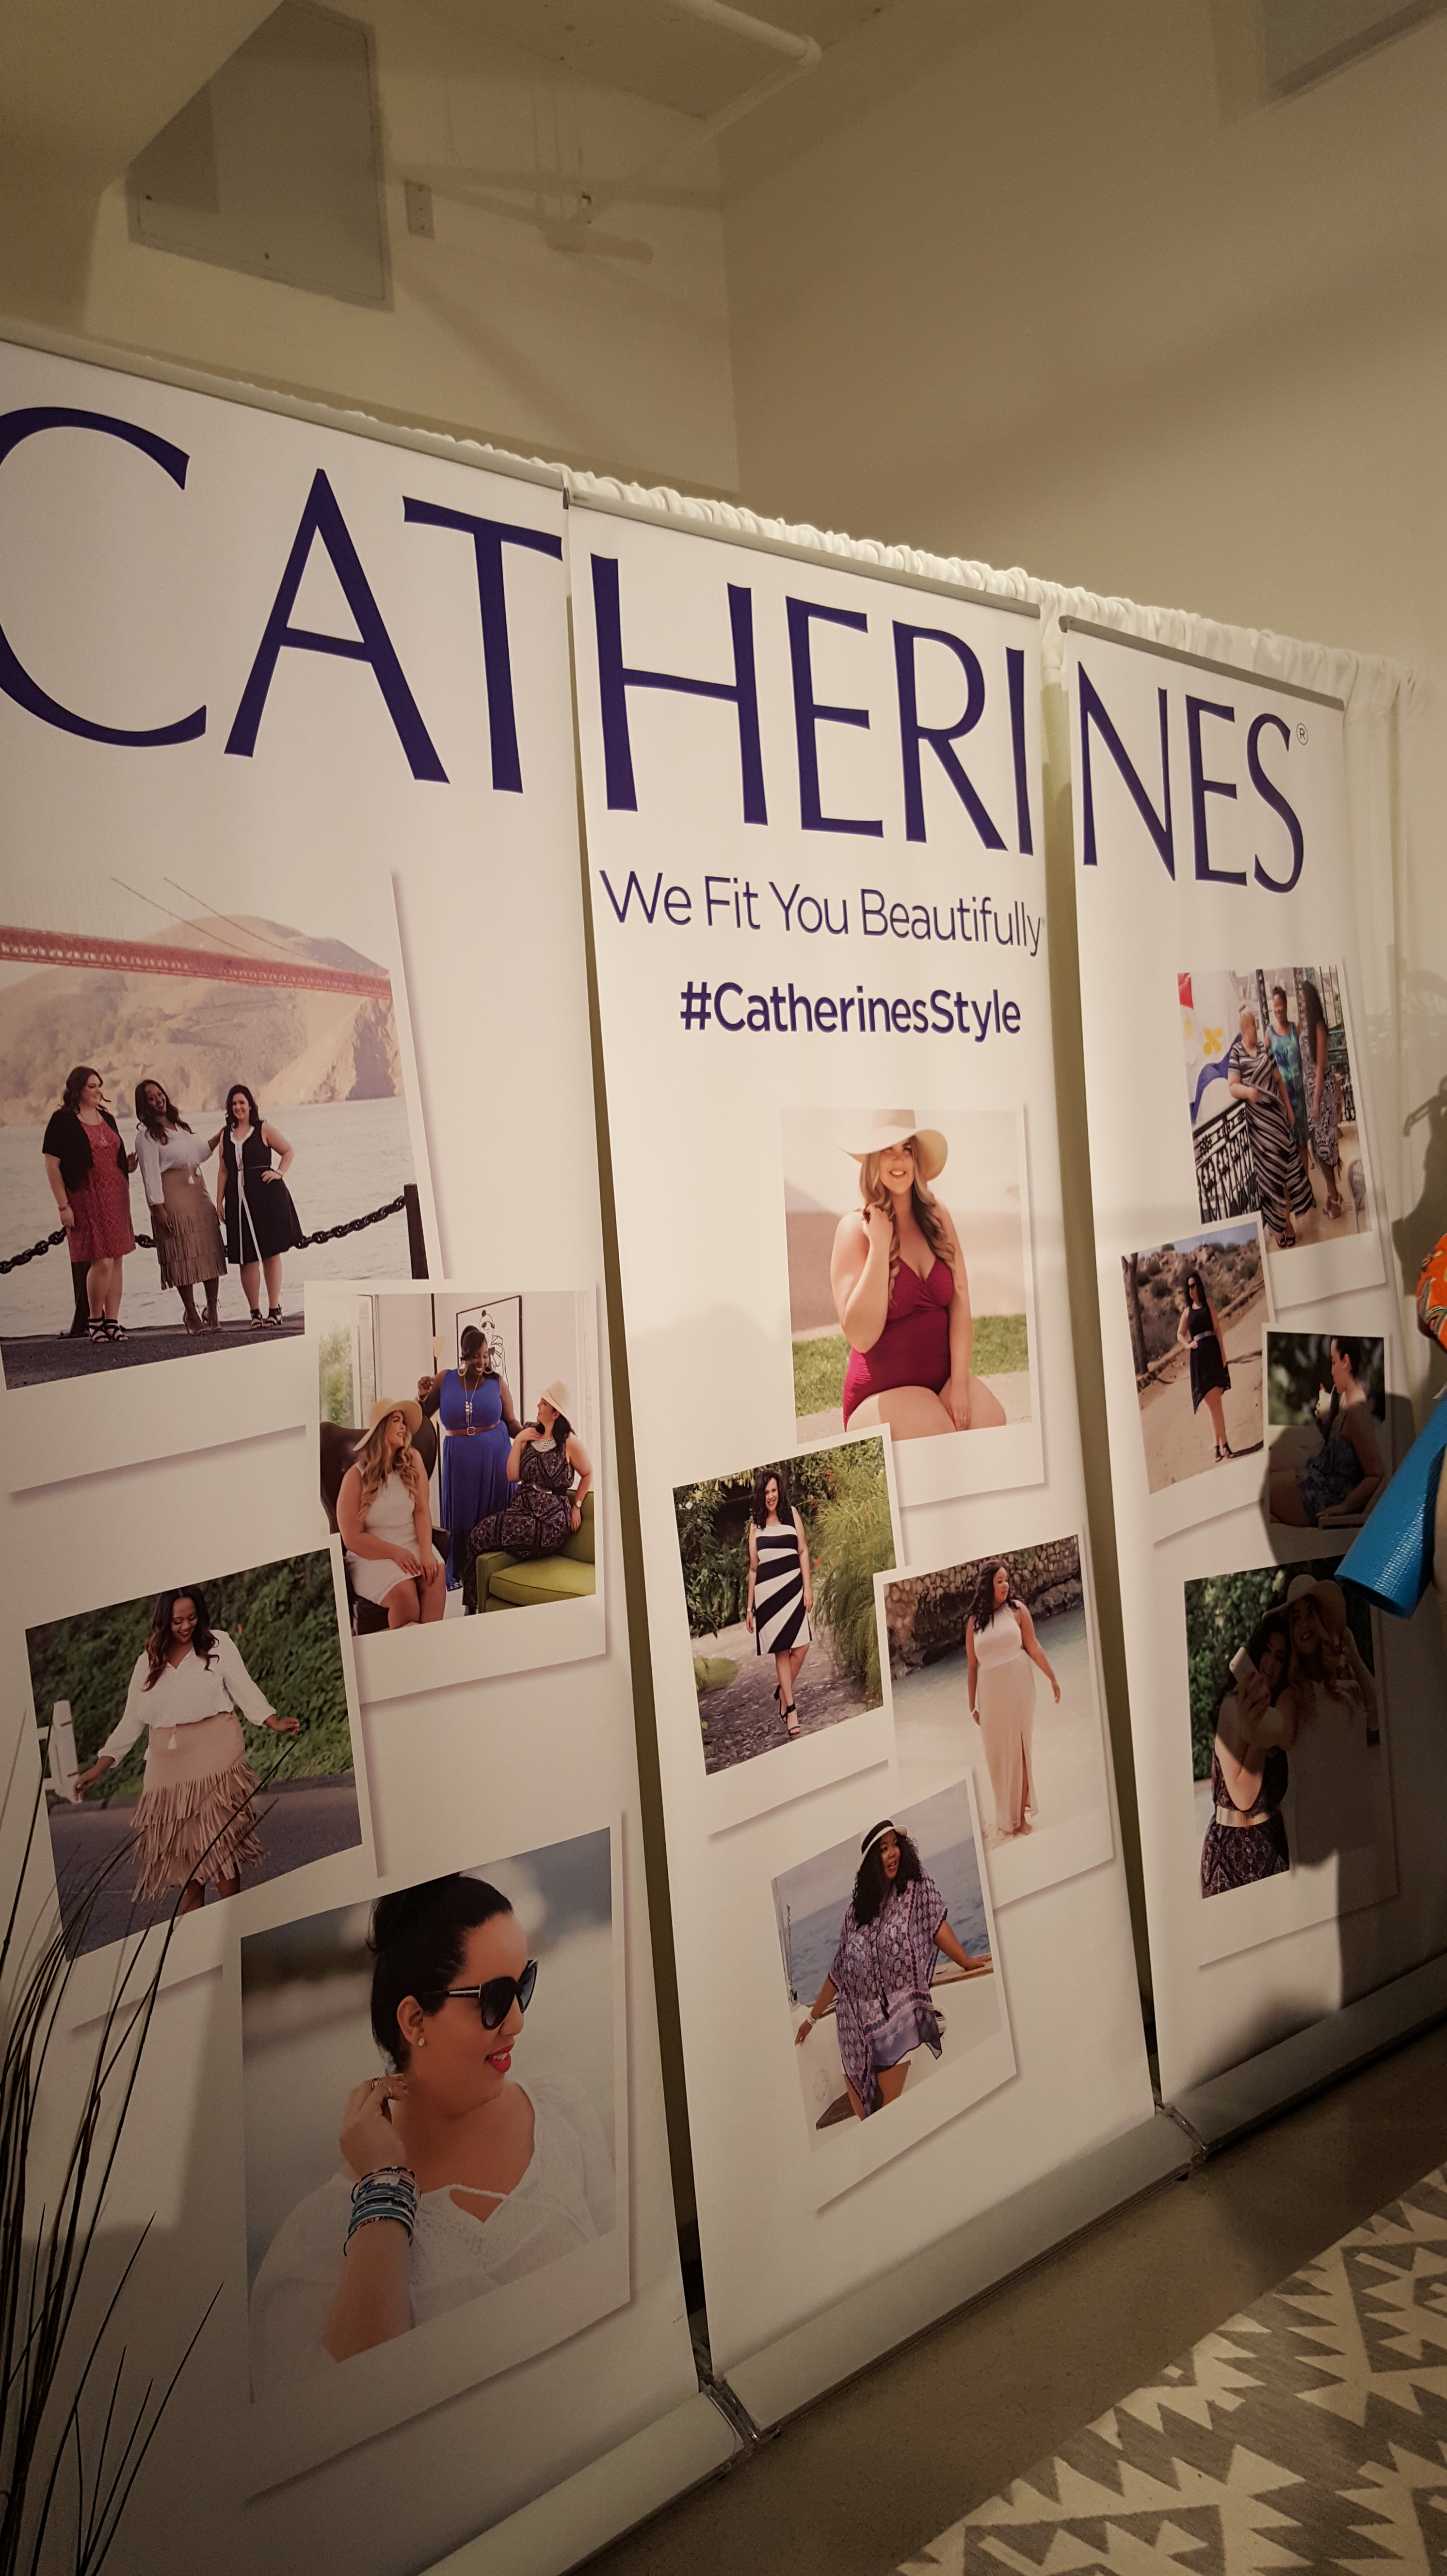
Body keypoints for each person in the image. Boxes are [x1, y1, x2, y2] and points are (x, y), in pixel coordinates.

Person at [249, 1873, 615, 2389]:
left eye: (522, 1987)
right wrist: (382, 2186)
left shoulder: (561, 2114)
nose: (516, 2022)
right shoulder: (314, 2244)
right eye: (495, 1998)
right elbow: (354, 2411)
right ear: (416, 2020)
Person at [72, 1586, 297, 1910]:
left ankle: (235, 1920)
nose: (186, 1626)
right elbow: (131, 1721)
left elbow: (244, 1688)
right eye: (178, 1621)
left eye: (192, 1618)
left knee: (221, 1844)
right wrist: (100, 1767)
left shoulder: (217, 1644)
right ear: (164, 1621)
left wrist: (272, 1720)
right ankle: (197, 1930)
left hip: (216, 1753)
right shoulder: (148, 1662)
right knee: (183, 1855)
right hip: (167, 1765)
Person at [830, 1111, 1007, 1438]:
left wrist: (959, 1384)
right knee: (940, 1430)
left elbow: (961, 1303)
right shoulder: (854, 1230)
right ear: (873, 1161)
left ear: (917, 1160)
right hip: (878, 1397)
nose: (899, 1160)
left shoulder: (937, 1217)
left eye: (907, 1149)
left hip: (942, 1385)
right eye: (888, 1150)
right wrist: (880, 1247)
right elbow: (861, 1336)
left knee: (993, 1423)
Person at [794, 1821, 985, 2119]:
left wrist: (966, 1961)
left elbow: (935, 1924)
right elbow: (838, 1972)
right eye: (884, 1849)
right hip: (855, 2031)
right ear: (871, 1862)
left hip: (895, 2027)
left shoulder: (913, 1888)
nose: (893, 1853)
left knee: (886, 2117)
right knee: (866, 2119)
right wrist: (810, 2019)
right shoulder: (854, 1914)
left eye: (895, 1845)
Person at [1270, 1573, 1381, 1865]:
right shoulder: (1291, 1693)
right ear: (1291, 1631)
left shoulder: (1347, 1675)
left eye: (1311, 1613)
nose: (1305, 1624)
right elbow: (1279, 1734)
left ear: (1322, 1619)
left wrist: (1352, 1653)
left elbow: (1378, 1719)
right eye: (1297, 1618)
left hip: (1360, 1821)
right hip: (1318, 1836)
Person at [418, 1327, 520, 1590]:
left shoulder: (497, 1383)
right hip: (460, 1466)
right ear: (464, 1355)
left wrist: (530, 1435)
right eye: (476, 1356)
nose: (482, 1362)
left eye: (485, 1355)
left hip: (497, 1462)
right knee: (463, 1525)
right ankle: (470, 1592)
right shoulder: (446, 1379)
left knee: (494, 1520)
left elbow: (511, 1423)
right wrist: (421, 1396)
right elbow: (420, 1415)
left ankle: (494, 1583)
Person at [41, 1066, 137, 1344]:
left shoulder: (107, 1118)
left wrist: (127, 1166)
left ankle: (113, 1322)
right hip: (86, 1199)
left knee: (117, 1259)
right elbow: (52, 1166)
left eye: (99, 1086)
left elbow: (111, 1157)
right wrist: (63, 1206)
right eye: (92, 1086)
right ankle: (94, 1321)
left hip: (116, 1197)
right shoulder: (62, 1121)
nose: (98, 1091)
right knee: (102, 1260)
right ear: (78, 1089)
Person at [965, 1561, 1061, 1839]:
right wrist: (972, 1706)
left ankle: (1020, 1820)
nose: (1005, 1585)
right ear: (988, 1586)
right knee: (998, 1756)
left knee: (1020, 1751)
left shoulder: (1018, 1611)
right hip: (990, 1697)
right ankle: (1007, 1816)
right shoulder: (974, 1623)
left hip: (1020, 1688)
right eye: (999, 1581)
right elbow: (972, 1666)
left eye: (1007, 1580)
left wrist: (1052, 1678)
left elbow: (1034, 1647)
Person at [1200, 1609, 1291, 1897]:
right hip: (1230, 1853)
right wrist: (1260, 1728)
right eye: (1267, 1651)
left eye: (1280, 1658)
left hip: (1273, 1846)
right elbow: (1243, 1795)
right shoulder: (1233, 1707)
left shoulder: (1279, 1712)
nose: (1270, 1663)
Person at [338, 1399, 446, 1628]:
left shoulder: (413, 1460)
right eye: (397, 1421)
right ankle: (401, 1649)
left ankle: (429, 1647)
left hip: (413, 1542)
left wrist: (427, 1552)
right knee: (404, 1594)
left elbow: (422, 1510)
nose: (404, 1427)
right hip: (373, 1554)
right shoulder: (355, 1478)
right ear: (381, 1428)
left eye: (404, 1422)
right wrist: (396, 1553)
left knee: (436, 1575)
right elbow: (352, 1538)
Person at [133, 1079, 226, 1334]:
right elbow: (150, 1174)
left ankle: (213, 1310)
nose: (158, 1100)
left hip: (199, 1196)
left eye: (160, 1094)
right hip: (173, 1200)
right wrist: (157, 1208)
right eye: (151, 1098)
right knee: (181, 1254)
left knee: (208, 1251)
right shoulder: (147, 1137)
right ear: (145, 1105)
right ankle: (192, 1314)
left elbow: (201, 1153)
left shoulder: (181, 1128)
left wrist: (221, 1136)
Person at [467, 1383, 592, 1571]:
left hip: (550, 1521)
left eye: (544, 1404)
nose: (538, 1406)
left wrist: (577, 1506)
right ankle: (472, 1592)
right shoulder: (530, 1432)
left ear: (555, 1414)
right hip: (522, 1510)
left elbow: (588, 1473)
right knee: (477, 1536)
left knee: (484, 1536)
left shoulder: (569, 1443)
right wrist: (519, 1440)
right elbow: (512, 1476)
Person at [1269, 1336, 1384, 1529]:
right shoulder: (1345, 1400)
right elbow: (1343, 1456)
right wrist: (1326, 1424)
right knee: (1270, 1462)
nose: (1331, 1371)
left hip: (1325, 1498)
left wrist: (1344, 1508)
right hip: (1319, 1479)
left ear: (1346, 1362)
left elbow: (1376, 1475)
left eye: (1334, 1362)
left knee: (1263, 1489)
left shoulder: (1357, 1413)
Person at [1225, 1007, 1316, 1250]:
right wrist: (1247, 1092)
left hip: (1278, 1123)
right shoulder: (1236, 1054)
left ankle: (1287, 1223)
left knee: (1286, 1175)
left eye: (1256, 1024)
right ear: (1244, 1029)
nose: (1256, 1028)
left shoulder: (1264, 1050)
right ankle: (1278, 1228)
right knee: (1270, 1180)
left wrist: (1289, 1111)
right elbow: (1232, 1086)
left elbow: (1278, 1081)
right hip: (1260, 1129)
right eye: (1253, 1025)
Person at [217, 1082, 304, 1328]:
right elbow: (223, 1170)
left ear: (250, 1105)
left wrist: (279, 1173)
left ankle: (275, 1310)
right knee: (246, 1258)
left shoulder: (263, 1129)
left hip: (266, 1197)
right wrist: (219, 1200)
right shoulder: (226, 1135)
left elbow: (288, 1151)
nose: (238, 1107)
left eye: (242, 1103)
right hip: (237, 1200)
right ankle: (255, 1313)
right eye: (234, 1103)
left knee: (270, 1253)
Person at [744, 1465, 812, 1740]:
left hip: (794, 1591)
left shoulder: (792, 1515)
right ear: (760, 1496)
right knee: (782, 1651)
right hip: (768, 1597)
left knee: (803, 1646)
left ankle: (783, 1692)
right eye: (766, 1492)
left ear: (779, 1491)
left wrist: (808, 1588)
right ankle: (791, 1710)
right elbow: (753, 1569)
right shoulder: (756, 1528)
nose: (771, 1496)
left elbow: (803, 1551)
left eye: (774, 1490)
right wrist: (750, 1608)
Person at [1176, 1267, 1234, 1463]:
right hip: (1199, 1360)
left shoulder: (1208, 1304)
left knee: (1216, 1405)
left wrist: (1223, 1354)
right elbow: (1179, 1334)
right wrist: (1188, 1345)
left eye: (1194, 1285)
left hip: (1214, 1355)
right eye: (1189, 1287)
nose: (1191, 1289)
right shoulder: (1187, 1312)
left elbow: (1217, 1329)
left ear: (1199, 1286)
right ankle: (1225, 1446)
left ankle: (1217, 1448)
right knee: (1214, 1405)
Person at [1302, 978, 1345, 1221]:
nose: (1301, 1004)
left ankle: (1335, 1198)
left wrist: (1317, 1101)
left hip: (1321, 1093)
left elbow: (1320, 1067)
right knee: (1318, 1148)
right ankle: (1332, 1198)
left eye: (1303, 1000)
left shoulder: (1318, 1026)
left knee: (1325, 1147)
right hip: (1311, 1094)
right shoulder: (1306, 1026)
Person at [1267, 984, 1310, 1176]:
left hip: (1299, 1097)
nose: (1277, 1010)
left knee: (1302, 1144)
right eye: (1274, 1007)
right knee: (1288, 1147)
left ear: (1285, 1005)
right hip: (1282, 1099)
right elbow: (1265, 1065)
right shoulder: (1269, 1033)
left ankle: (1306, 1183)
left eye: (1280, 1006)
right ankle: (1294, 1187)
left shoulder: (1294, 1029)